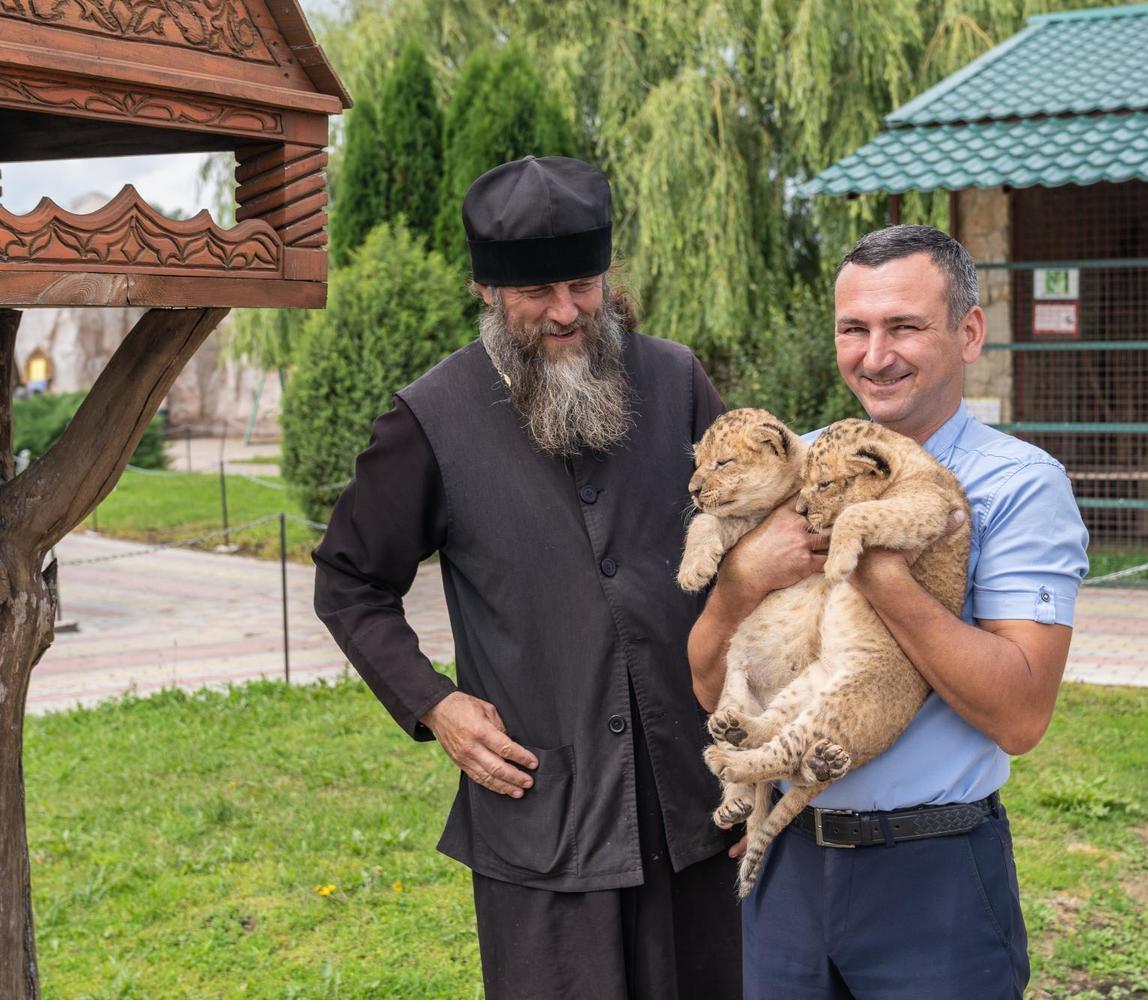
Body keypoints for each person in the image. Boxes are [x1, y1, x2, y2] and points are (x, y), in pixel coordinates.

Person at [313, 155, 741, 1000]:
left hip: (698, 803)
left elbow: (755, 541)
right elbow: (348, 580)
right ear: (486, 290)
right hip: (545, 816)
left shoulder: (676, 380)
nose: (566, 311)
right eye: (537, 293)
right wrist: (434, 704)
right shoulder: (429, 418)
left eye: (583, 284)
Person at [688, 224, 1089, 999]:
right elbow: (711, 690)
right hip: (788, 865)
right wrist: (738, 583)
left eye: (904, 325)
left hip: (930, 878)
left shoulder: (1020, 486)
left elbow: (1021, 715)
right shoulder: (792, 465)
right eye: (854, 329)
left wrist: (879, 567)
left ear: (968, 332)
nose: (876, 355)